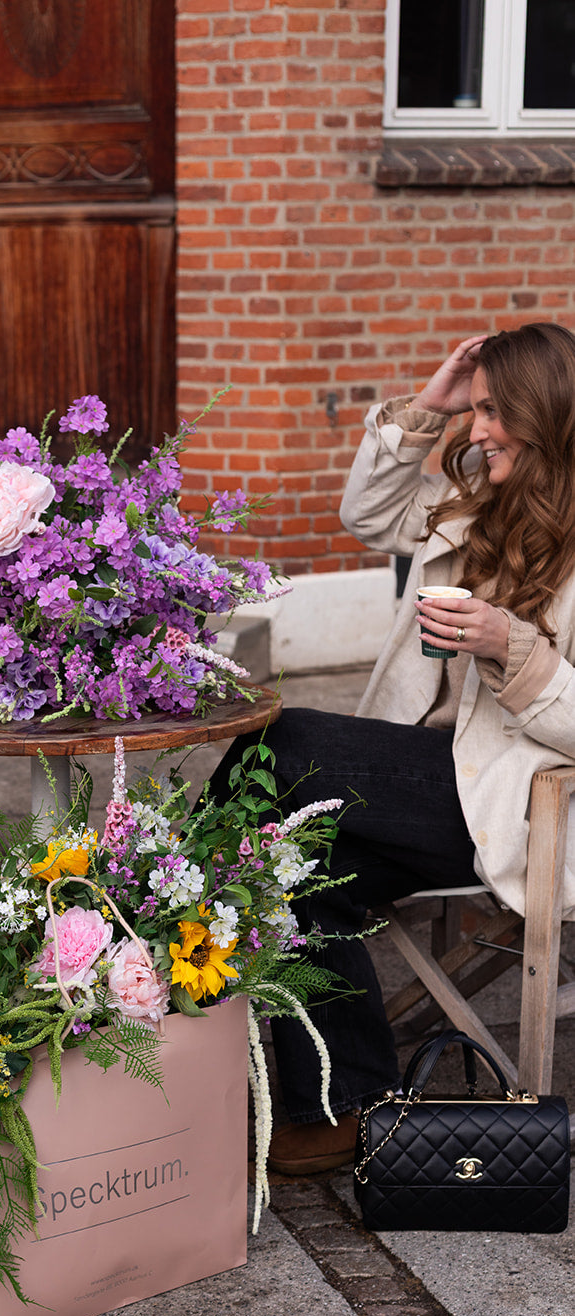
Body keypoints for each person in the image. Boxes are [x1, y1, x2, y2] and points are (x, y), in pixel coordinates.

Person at [208, 322, 575, 1174]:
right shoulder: (479, 495)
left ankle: (151, 933)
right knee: (290, 855)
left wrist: (512, 649)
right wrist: (429, 404)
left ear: (544, 413)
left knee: (287, 738)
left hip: (519, 799)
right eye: (474, 410)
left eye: (492, 412)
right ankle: (342, 1102)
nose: (476, 430)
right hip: (425, 773)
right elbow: (365, 512)